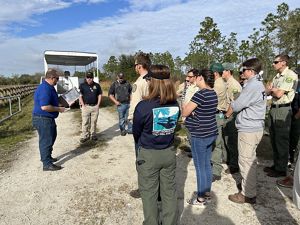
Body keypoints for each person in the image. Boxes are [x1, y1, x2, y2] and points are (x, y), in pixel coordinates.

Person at [133, 65, 180, 225]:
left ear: (151, 82)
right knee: (169, 193)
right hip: (168, 153)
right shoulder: (175, 105)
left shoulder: (143, 106)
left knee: (149, 194)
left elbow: (136, 133)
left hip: (149, 155)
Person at [226, 58, 266, 204]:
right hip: (254, 127)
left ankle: (247, 194)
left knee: (245, 161)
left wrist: (232, 101)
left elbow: (237, 106)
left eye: (243, 70)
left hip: (249, 129)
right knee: (250, 160)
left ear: (251, 71)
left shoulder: (252, 86)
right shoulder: (257, 84)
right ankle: (247, 186)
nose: (242, 72)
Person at [182, 69, 218, 206]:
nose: (195, 79)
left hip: (199, 134)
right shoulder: (212, 93)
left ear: (201, 78)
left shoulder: (200, 94)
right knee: (207, 164)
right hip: (211, 132)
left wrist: (190, 112)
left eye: (197, 77)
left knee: (200, 167)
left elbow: (185, 111)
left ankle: (201, 198)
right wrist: (194, 112)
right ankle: (207, 193)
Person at [265, 54, 298, 177]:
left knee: (281, 140)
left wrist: (274, 90)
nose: (273, 64)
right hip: (273, 108)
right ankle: (276, 164)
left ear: (283, 62)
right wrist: (273, 90)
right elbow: (268, 90)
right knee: (273, 138)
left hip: (283, 109)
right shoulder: (277, 76)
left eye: (275, 62)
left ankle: (281, 169)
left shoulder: (290, 75)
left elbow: (278, 94)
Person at [32, 68, 66, 171]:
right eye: (57, 78)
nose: (58, 80)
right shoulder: (45, 89)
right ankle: (46, 164)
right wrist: (59, 109)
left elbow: (53, 102)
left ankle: (48, 157)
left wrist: (65, 102)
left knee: (52, 137)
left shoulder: (49, 87)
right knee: (46, 140)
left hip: (47, 119)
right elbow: (45, 107)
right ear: (51, 78)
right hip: (43, 119)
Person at [128, 52, 151, 199]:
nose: (135, 67)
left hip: (142, 124)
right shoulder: (155, 79)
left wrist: (131, 121)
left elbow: (136, 107)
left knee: (141, 158)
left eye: (136, 65)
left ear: (140, 66)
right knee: (152, 157)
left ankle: (143, 189)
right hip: (154, 123)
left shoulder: (139, 82)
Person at [277, 67, 300, 188]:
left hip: (295, 116)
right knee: (288, 141)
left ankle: (289, 172)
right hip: (292, 114)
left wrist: (296, 117)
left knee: (292, 143)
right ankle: (284, 166)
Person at [222, 63, 242, 174]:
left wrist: (227, 116)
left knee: (232, 141)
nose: (221, 73)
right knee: (226, 139)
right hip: (227, 114)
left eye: (223, 71)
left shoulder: (234, 85)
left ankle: (234, 165)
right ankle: (229, 160)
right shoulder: (227, 83)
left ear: (228, 71)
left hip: (232, 115)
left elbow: (235, 103)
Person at [209, 63, 227, 182]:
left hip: (216, 115)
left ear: (215, 73)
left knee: (216, 142)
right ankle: (214, 166)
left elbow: (210, 98)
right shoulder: (221, 82)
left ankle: (216, 171)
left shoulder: (218, 84)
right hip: (217, 114)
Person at [79, 72, 102, 143]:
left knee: (94, 122)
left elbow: (100, 95)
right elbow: (79, 95)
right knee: (85, 122)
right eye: (88, 77)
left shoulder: (97, 85)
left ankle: (93, 135)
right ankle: (84, 136)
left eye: (90, 77)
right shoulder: (82, 85)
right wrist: (83, 105)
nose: (89, 79)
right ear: (86, 78)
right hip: (86, 106)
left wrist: (98, 104)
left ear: (92, 78)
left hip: (95, 106)